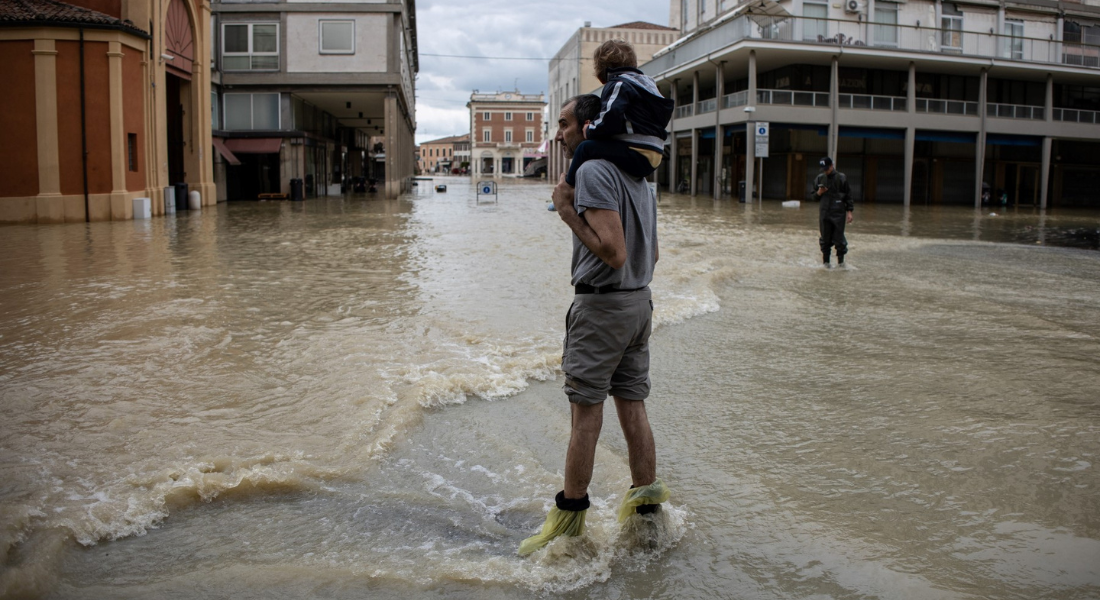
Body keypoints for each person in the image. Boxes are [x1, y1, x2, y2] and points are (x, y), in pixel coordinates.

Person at [518, 94, 670, 556]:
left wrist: (566, 212)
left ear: (588, 124)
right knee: (633, 409)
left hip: (602, 309)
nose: (559, 133)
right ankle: (647, 518)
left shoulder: (592, 170)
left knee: (586, 420)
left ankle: (567, 531)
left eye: (564, 124)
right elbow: (650, 254)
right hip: (638, 303)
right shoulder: (638, 174)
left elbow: (613, 250)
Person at [562, 39, 675, 188]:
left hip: (636, 152)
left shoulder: (618, 84)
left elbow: (610, 116)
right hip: (656, 155)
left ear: (602, 72)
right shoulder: (649, 85)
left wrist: (590, 129)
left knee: (585, 148)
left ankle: (568, 188)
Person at [810, 157, 854, 267]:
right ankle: (826, 263)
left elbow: (848, 196)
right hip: (825, 213)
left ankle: (841, 264)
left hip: (839, 213)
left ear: (831, 166)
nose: (825, 171)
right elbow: (813, 197)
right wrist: (819, 192)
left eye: (827, 169)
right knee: (825, 239)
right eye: (823, 169)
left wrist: (849, 212)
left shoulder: (841, 178)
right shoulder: (820, 178)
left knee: (839, 239)